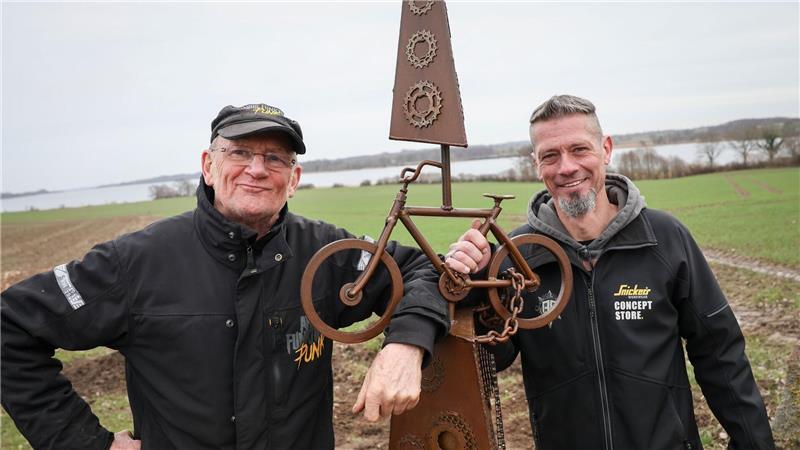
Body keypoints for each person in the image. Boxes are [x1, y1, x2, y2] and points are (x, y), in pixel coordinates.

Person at [1, 103, 449, 449]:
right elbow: (10, 327)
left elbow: (422, 267)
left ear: (293, 179)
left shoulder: (326, 252)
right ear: (208, 166)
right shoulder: (137, 262)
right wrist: (88, 444)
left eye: (275, 158)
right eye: (239, 152)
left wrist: (406, 344)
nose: (256, 169)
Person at [445, 95, 775, 449]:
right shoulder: (517, 255)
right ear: (536, 165)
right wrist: (472, 287)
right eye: (550, 156)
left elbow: (720, 353)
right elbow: (492, 360)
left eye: (579, 149)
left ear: (606, 149)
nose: (566, 167)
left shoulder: (664, 239)